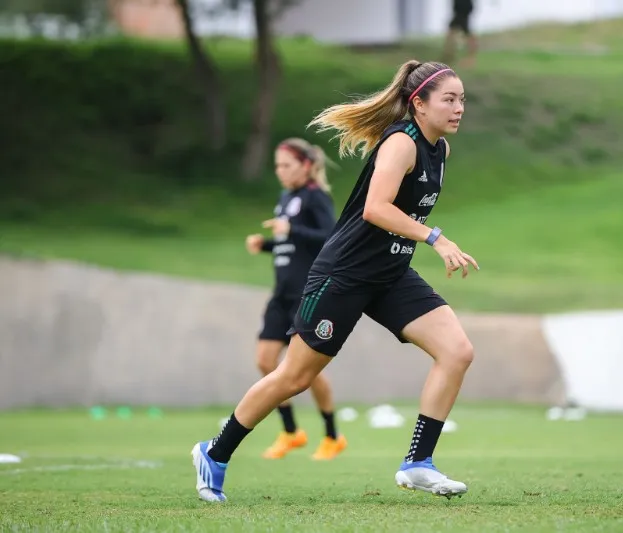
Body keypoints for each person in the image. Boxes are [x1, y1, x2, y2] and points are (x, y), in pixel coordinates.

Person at [192, 60, 478, 503]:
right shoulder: (402, 143)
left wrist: (422, 240)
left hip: (391, 273)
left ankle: (418, 463)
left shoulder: (440, 150)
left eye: (462, 99)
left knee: (457, 351)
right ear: (418, 103)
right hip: (344, 273)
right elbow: (376, 209)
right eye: (449, 99)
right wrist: (435, 238)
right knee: (293, 377)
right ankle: (215, 452)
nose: (459, 107)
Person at [244, 137, 346, 461]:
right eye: (277, 166)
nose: (280, 171)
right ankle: (291, 432)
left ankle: (332, 435)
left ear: (305, 166)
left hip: (307, 295)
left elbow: (330, 238)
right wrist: (268, 245)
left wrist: (290, 231)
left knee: (307, 372)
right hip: (281, 295)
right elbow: (290, 243)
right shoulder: (286, 197)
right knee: (265, 360)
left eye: (286, 165)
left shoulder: (316, 198)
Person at [443, 0, 478, 68]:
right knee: (452, 33)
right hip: (459, 12)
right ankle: (449, 56)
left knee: (467, 34)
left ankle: (471, 58)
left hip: (462, 12)